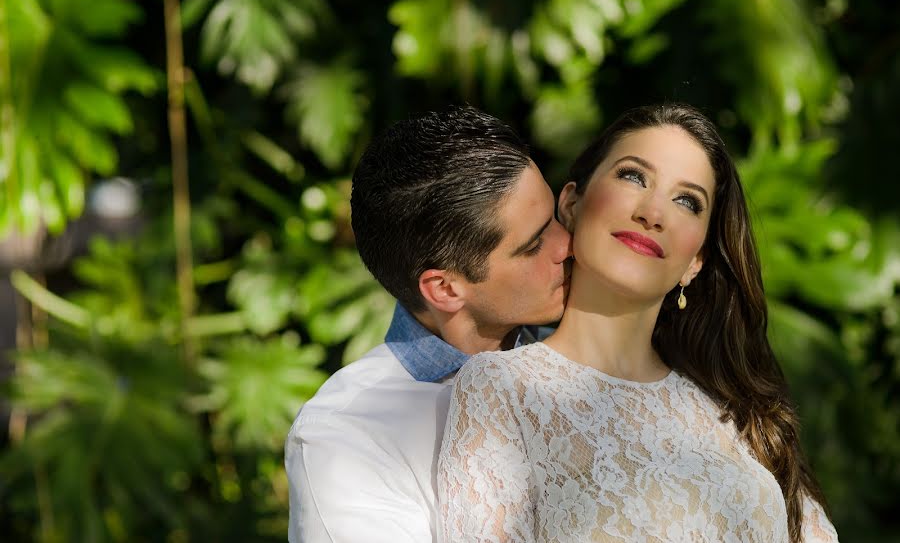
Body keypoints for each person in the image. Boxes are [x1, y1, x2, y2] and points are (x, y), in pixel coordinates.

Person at [438, 103, 839, 543]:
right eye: (633, 176)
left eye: (687, 201)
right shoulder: (501, 388)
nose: (654, 213)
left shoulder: (740, 414)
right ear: (571, 203)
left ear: (696, 262)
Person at [285, 106, 571, 542]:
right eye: (534, 244)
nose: (567, 244)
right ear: (445, 289)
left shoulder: (592, 346)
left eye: (556, 218)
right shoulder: (346, 435)